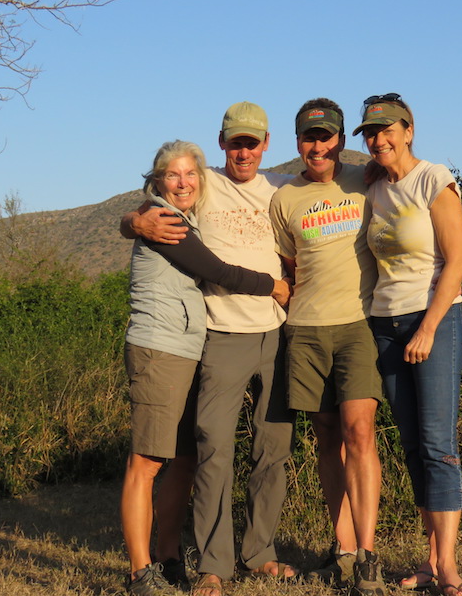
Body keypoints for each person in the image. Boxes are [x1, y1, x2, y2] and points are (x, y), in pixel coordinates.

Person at [121, 102, 297, 596]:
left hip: (276, 334)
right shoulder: (204, 182)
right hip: (220, 335)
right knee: (212, 450)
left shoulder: (283, 188)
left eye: (253, 142)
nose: (244, 151)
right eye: (236, 142)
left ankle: (260, 552)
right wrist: (133, 222)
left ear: (266, 144)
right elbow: (148, 203)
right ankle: (213, 564)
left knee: (272, 449)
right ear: (222, 144)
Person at [353, 94, 462, 596]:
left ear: (408, 129)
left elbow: (459, 260)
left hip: (435, 320)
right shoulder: (377, 187)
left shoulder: (434, 178)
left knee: (438, 445)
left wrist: (427, 326)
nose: (378, 139)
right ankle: (428, 561)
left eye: (387, 130)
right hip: (384, 323)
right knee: (410, 447)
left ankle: (447, 568)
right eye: (370, 133)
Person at [269, 98, 386, 596]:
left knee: (361, 432)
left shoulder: (366, 179)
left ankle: (368, 555)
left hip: (358, 324)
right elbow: (289, 265)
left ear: (341, 139)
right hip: (307, 329)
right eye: (308, 137)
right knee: (326, 439)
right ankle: (340, 551)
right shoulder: (284, 199)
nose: (318, 146)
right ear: (298, 141)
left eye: (326, 137)